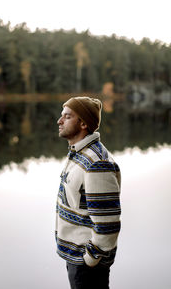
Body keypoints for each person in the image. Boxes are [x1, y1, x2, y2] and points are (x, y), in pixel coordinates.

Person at [55, 96, 121, 289]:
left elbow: (107, 224)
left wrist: (90, 259)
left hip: (87, 266)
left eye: (67, 117)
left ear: (83, 123)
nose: (59, 121)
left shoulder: (97, 163)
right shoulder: (80, 154)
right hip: (78, 259)